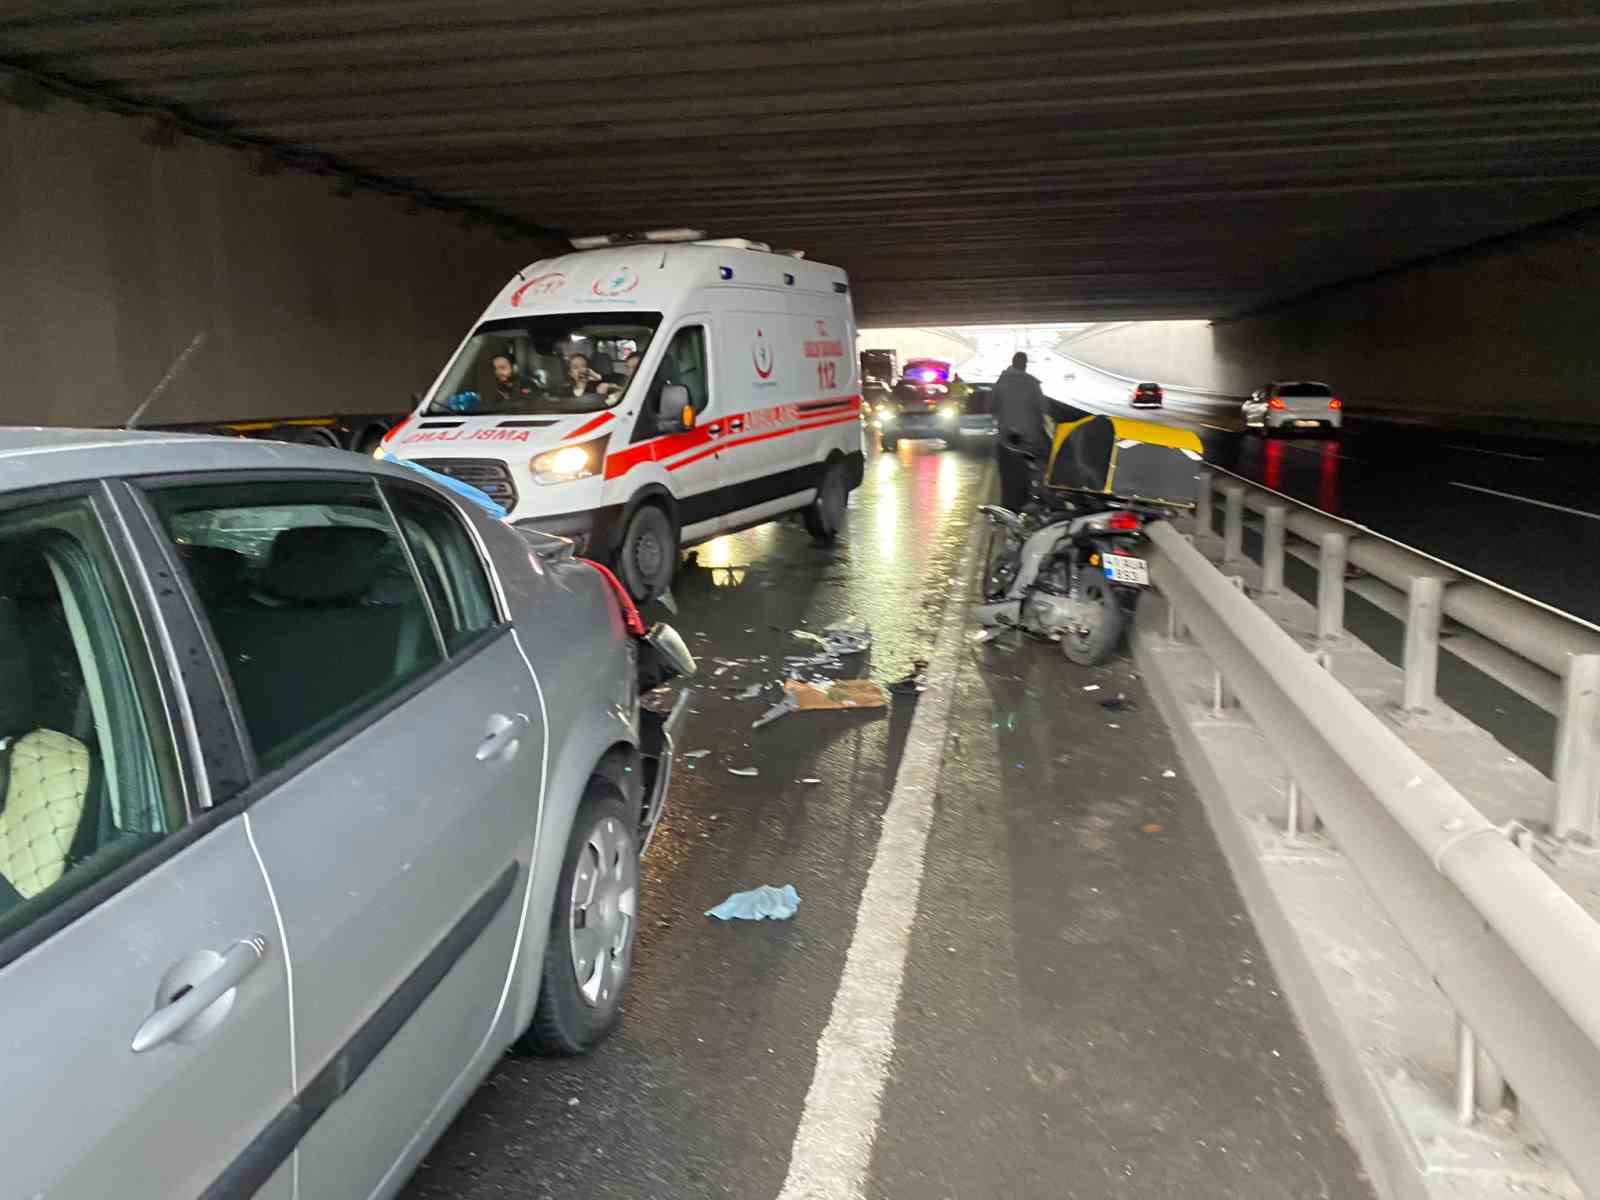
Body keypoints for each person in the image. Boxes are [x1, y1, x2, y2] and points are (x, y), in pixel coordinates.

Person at [991, 351, 1050, 511]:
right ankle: (1038, 496)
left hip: (1007, 437)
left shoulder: (1001, 382)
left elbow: (993, 407)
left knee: (1006, 471)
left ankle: (1008, 505)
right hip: (1031, 436)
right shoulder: (1032, 383)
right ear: (1025, 365)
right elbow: (1042, 409)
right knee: (1045, 460)